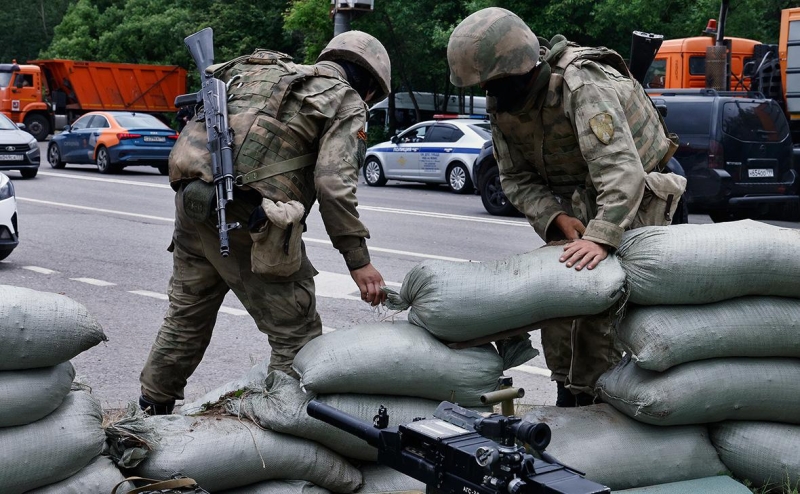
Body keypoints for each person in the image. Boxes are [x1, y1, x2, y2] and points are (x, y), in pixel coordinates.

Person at [138, 31, 392, 415]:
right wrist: (358, 260)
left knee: (186, 315)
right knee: (296, 334)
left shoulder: (258, 73)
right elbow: (332, 184)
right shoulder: (344, 99)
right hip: (251, 220)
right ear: (371, 86)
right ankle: (284, 428)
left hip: (193, 205)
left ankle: (149, 410)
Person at [447, 8, 686, 407]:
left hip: (637, 199)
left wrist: (601, 236)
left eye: (492, 82)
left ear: (517, 69)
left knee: (607, 313)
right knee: (561, 308)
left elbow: (621, 173)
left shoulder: (579, 84)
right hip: (575, 205)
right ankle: (569, 395)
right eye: (482, 85)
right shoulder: (503, 104)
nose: (488, 92)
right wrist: (554, 219)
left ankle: (612, 403)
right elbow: (515, 178)